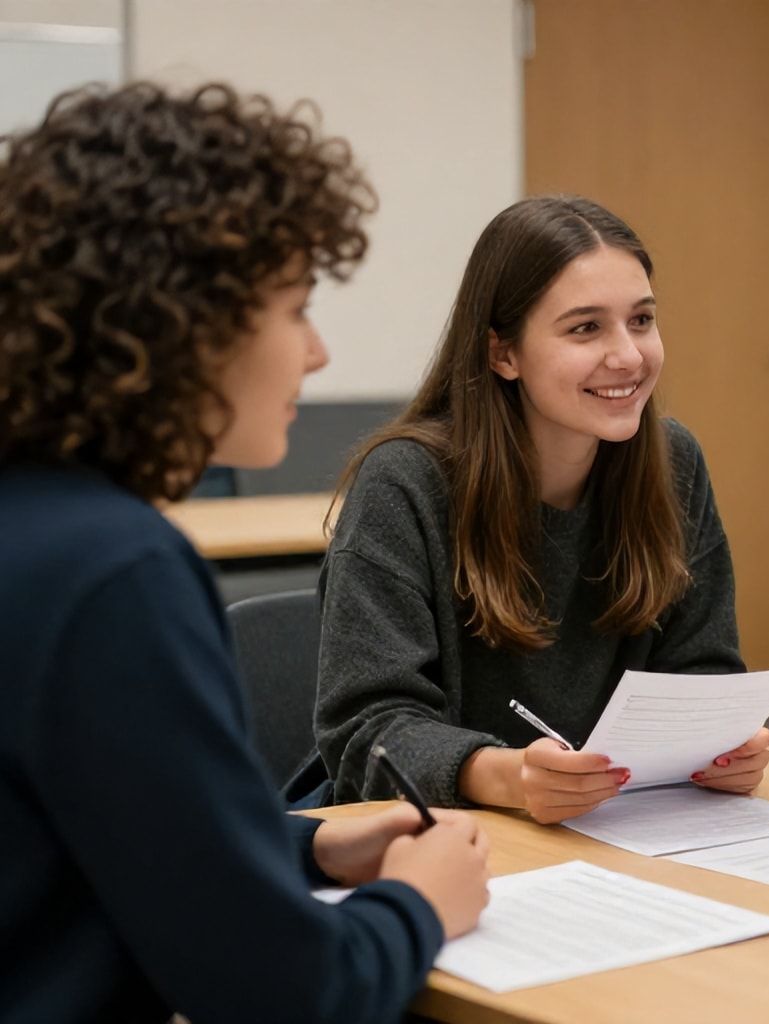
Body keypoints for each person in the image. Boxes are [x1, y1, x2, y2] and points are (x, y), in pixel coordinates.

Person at [0, 82, 489, 1022]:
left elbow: (80, 824)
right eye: (296, 308)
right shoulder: (114, 574)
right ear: (183, 322)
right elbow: (283, 991)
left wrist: (298, 847)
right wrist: (417, 903)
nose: (317, 354)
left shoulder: (38, 528)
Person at [312, 195, 767, 823]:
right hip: (439, 839)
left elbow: (702, 667)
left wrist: (720, 747)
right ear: (503, 353)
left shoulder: (672, 462)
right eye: (586, 328)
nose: (629, 356)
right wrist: (506, 774)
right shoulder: (405, 485)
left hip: (624, 828)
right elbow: (367, 732)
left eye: (641, 320)